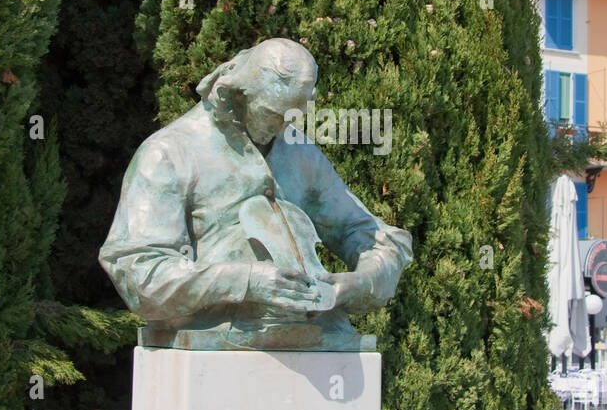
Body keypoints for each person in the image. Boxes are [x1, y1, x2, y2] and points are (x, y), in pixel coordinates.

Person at [99, 39, 412, 350]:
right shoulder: (169, 152)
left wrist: (358, 284)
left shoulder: (300, 152)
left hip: (314, 340)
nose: (282, 126)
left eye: (292, 116)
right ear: (238, 92)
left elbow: (376, 237)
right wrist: (246, 281)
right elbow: (138, 273)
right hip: (208, 348)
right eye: (273, 113)